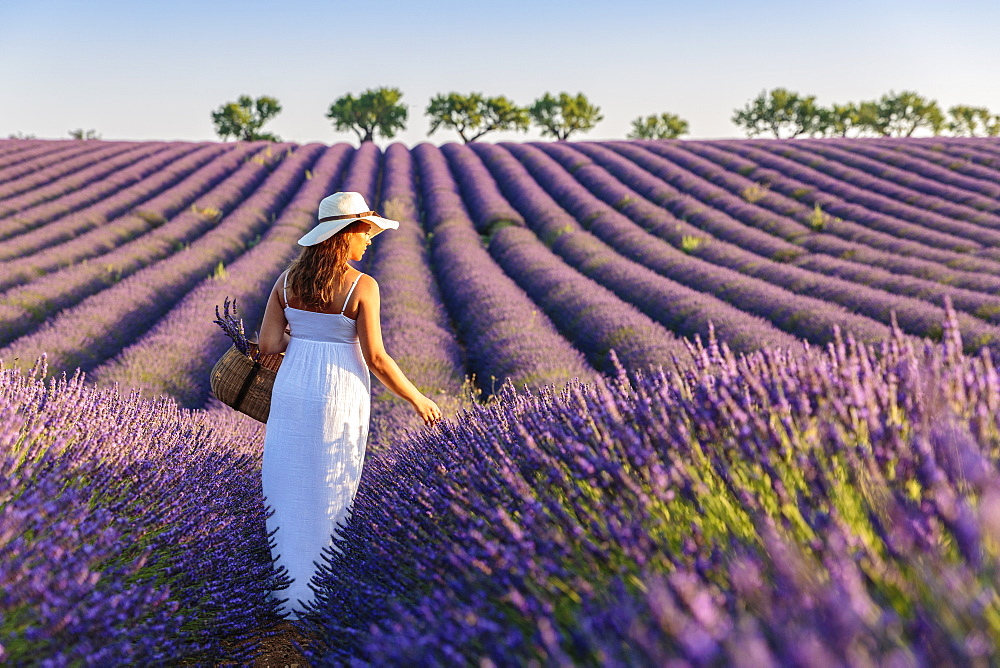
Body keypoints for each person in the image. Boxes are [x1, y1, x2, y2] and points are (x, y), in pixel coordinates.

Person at [257, 191, 442, 620]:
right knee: (332, 483)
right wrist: (416, 397)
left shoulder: (286, 281)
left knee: (287, 484)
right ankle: (320, 593)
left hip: (293, 386)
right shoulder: (362, 286)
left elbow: (268, 344)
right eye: (367, 232)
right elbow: (376, 358)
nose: (371, 240)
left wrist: (303, 342)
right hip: (338, 390)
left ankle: (288, 592)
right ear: (347, 234)